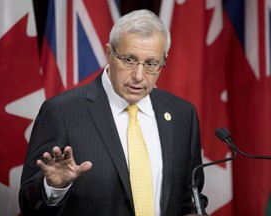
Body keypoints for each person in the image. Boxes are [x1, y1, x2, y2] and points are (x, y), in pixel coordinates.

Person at [19, 9, 208, 216]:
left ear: (163, 61)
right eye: (129, 59)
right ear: (109, 53)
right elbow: (29, 205)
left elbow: (191, 196)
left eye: (151, 64)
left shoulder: (182, 114)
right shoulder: (62, 112)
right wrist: (54, 188)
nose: (138, 76)